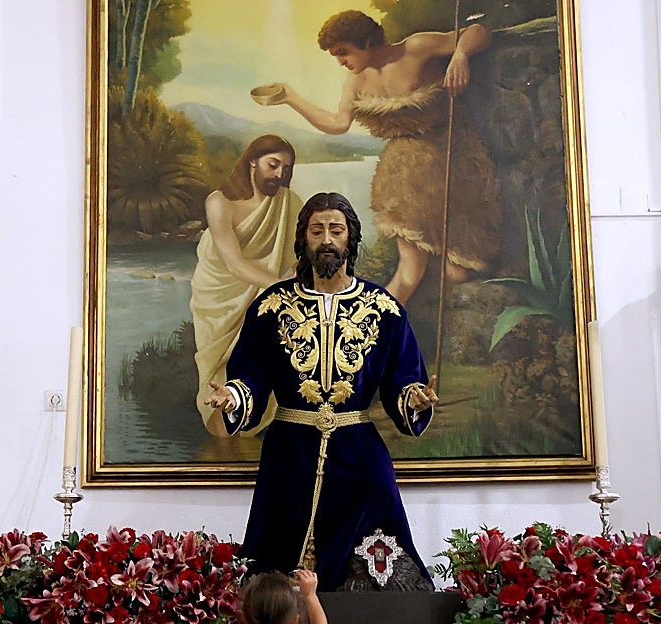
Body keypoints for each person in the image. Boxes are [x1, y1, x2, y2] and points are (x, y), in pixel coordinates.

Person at [204, 192, 439, 592]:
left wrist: (413, 397)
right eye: (317, 230)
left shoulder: (384, 309)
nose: (327, 239)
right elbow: (251, 376)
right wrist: (233, 396)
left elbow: (403, 377)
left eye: (336, 230)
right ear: (304, 239)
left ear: (350, 239)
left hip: (358, 454)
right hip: (290, 452)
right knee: (276, 565)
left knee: (375, 573)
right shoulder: (271, 307)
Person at [255, 9, 501, 303]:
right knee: (410, 270)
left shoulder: (415, 48)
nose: (341, 61)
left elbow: (480, 32)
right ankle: (376, 328)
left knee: (458, 271)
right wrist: (291, 98)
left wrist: (459, 55)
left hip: (453, 156)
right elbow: (337, 124)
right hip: (404, 174)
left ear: (366, 42)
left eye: (343, 52)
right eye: (335, 56)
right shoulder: (356, 81)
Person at [191, 134, 304, 436]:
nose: (280, 174)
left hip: (264, 296)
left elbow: (300, 254)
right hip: (219, 297)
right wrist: (280, 286)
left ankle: (246, 427)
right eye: (273, 164)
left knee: (259, 359)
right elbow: (234, 264)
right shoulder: (219, 202)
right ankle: (221, 434)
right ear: (253, 161)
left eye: (286, 168)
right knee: (217, 367)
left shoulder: (289, 203)